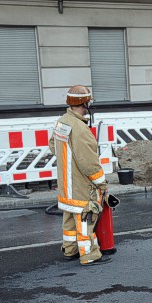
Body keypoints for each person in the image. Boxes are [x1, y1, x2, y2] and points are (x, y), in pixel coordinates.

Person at [49, 85, 112, 265]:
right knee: (85, 221)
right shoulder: (80, 129)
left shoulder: (62, 122)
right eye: (88, 102)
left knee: (69, 220)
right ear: (84, 103)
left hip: (65, 187)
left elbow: (53, 146)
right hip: (79, 187)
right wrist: (102, 184)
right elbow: (89, 163)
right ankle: (89, 255)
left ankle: (70, 250)